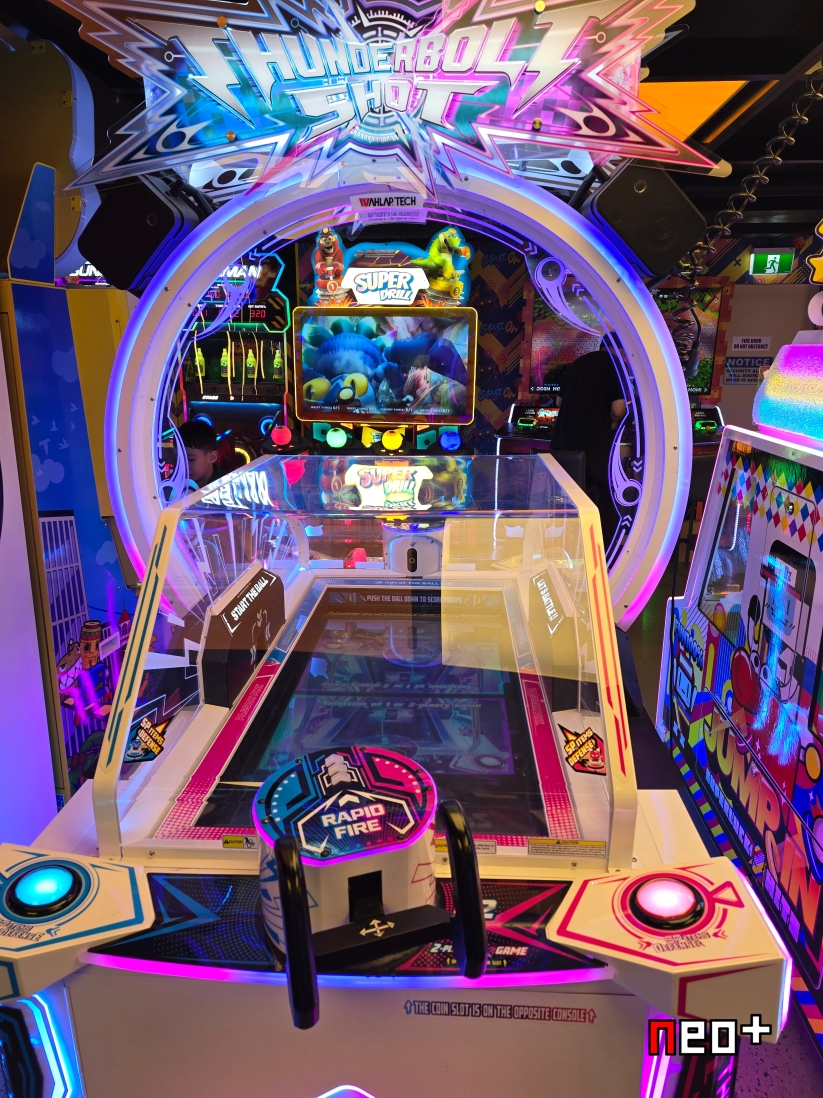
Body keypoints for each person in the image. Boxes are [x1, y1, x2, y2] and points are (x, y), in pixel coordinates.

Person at [551, 346, 626, 548]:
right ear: (620, 349)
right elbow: (618, 409)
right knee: (609, 492)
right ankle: (602, 548)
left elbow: (559, 401)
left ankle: (567, 543)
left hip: (563, 447)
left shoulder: (579, 362)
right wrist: (611, 420)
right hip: (593, 446)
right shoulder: (615, 365)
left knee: (569, 494)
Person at [178, 419, 221, 489]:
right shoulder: (168, 486)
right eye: (178, 459)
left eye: (190, 459)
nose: (182, 466)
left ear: (212, 457)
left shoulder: (228, 487)